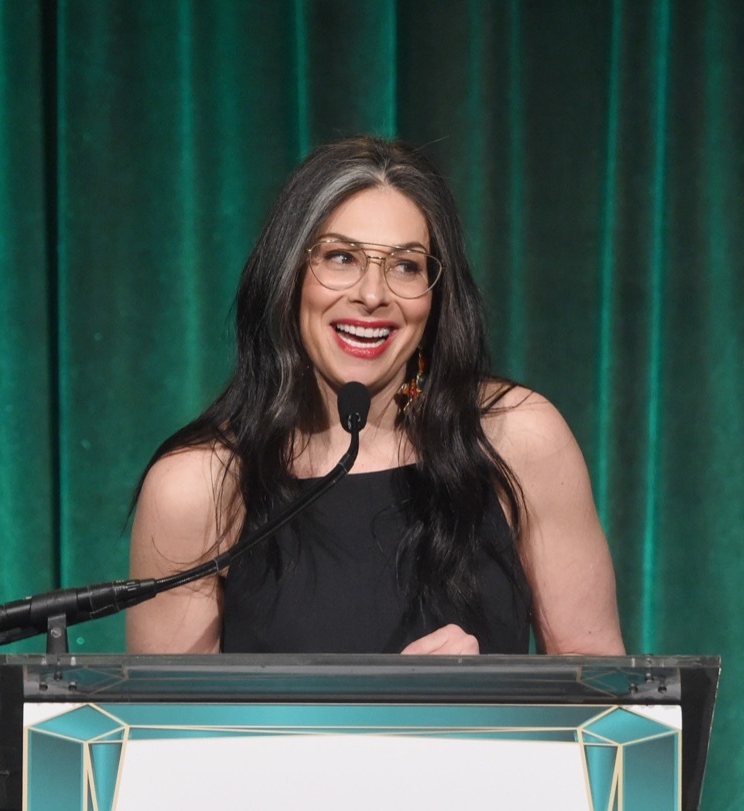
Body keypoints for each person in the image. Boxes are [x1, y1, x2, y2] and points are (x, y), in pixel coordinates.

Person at [126, 136, 624, 656]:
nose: (372, 294)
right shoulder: (198, 487)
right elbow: (170, 732)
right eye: (341, 257)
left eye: (406, 266)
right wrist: (388, 710)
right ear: (288, 274)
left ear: (437, 296)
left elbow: (605, 706)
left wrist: (486, 699)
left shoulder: (517, 439)